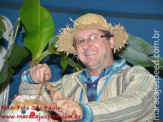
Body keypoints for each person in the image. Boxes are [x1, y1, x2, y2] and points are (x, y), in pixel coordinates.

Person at [18, 13, 155, 122]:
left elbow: (137, 104)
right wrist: (33, 78)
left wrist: (83, 112)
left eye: (94, 37)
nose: (86, 45)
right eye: (80, 41)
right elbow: (30, 102)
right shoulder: (69, 83)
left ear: (111, 41)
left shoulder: (137, 75)